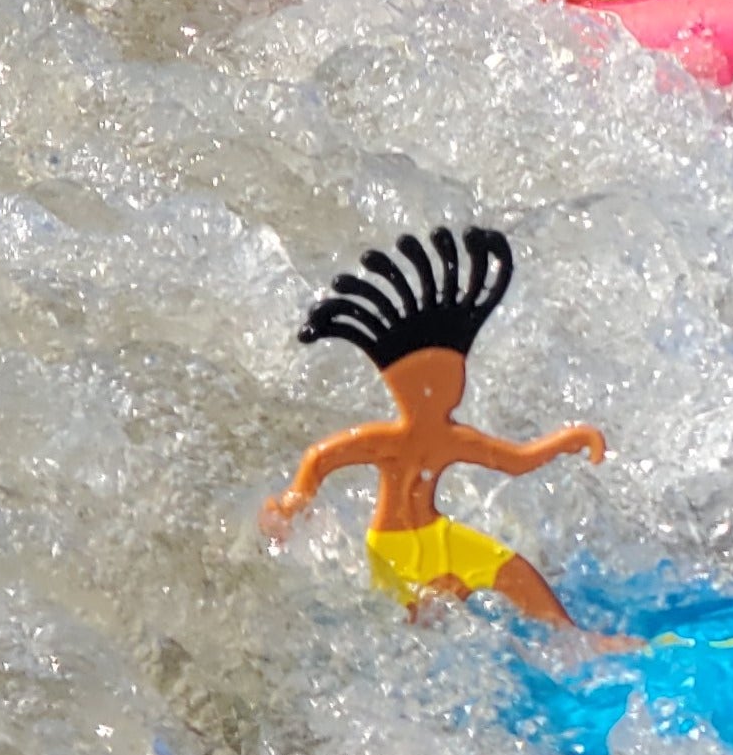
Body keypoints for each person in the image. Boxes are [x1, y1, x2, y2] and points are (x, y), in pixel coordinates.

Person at [261, 224, 623, 648]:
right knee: (417, 623)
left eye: (455, 374)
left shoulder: (452, 439)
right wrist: (294, 501)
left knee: (508, 572)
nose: (454, 386)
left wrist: (569, 440)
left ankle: (574, 640)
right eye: (442, 377)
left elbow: (515, 460)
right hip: (393, 547)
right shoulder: (391, 441)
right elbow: (322, 458)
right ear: (403, 387)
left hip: (435, 537)